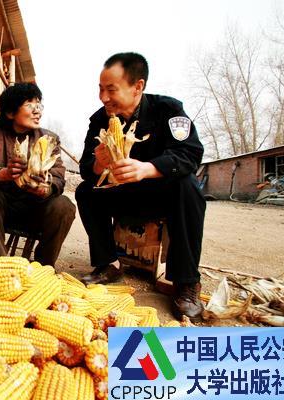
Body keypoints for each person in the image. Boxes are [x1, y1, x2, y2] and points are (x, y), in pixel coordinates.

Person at [76, 52, 206, 321]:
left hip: (159, 195)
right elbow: (86, 169)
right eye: (100, 89)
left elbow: (190, 154)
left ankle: (186, 281)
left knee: (188, 186)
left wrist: (147, 169)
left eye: (111, 89)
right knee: (85, 191)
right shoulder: (99, 120)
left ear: (138, 86)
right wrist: (99, 164)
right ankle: (108, 264)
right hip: (121, 195)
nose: (103, 97)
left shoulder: (168, 111)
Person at [0, 82, 76, 266]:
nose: (37, 111)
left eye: (39, 104)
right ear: (11, 112)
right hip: (3, 210)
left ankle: (43, 267)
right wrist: (4, 173)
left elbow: (58, 176)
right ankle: (1, 265)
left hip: (37, 210)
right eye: (29, 104)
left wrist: (45, 188)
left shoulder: (49, 139)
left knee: (64, 205)